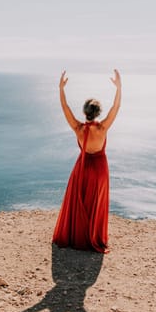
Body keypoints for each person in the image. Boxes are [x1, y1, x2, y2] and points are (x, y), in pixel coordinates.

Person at [52, 69, 122, 253]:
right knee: (96, 203)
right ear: (98, 113)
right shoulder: (102, 128)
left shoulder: (78, 128)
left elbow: (64, 107)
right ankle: (94, 237)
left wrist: (61, 88)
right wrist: (118, 87)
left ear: (85, 112)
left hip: (82, 167)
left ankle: (77, 236)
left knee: (79, 201)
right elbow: (116, 108)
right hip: (99, 168)